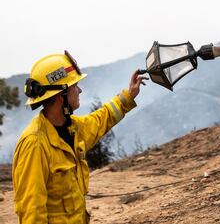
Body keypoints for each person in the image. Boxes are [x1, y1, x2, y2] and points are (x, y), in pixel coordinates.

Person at [12, 50, 148, 223]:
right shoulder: (34, 144)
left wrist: (129, 95)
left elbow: (101, 119)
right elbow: (31, 212)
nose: (80, 90)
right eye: (74, 85)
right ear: (61, 95)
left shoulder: (73, 129)